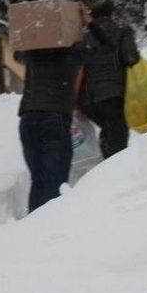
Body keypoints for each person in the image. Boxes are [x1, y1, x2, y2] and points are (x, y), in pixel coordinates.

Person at [15, 37, 86, 213]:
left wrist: (34, 34)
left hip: (28, 119)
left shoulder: (32, 53)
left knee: (38, 180)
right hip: (55, 118)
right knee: (55, 182)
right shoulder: (72, 52)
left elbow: (17, 52)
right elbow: (103, 47)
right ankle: (49, 231)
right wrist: (87, 24)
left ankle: (32, 228)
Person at [79, 0, 140, 159]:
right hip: (112, 95)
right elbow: (131, 57)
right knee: (117, 141)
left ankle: (106, 167)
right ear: (112, 14)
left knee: (109, 133)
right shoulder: (122, 31)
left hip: (87, 101)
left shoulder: (82, 36)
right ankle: (114, 177)